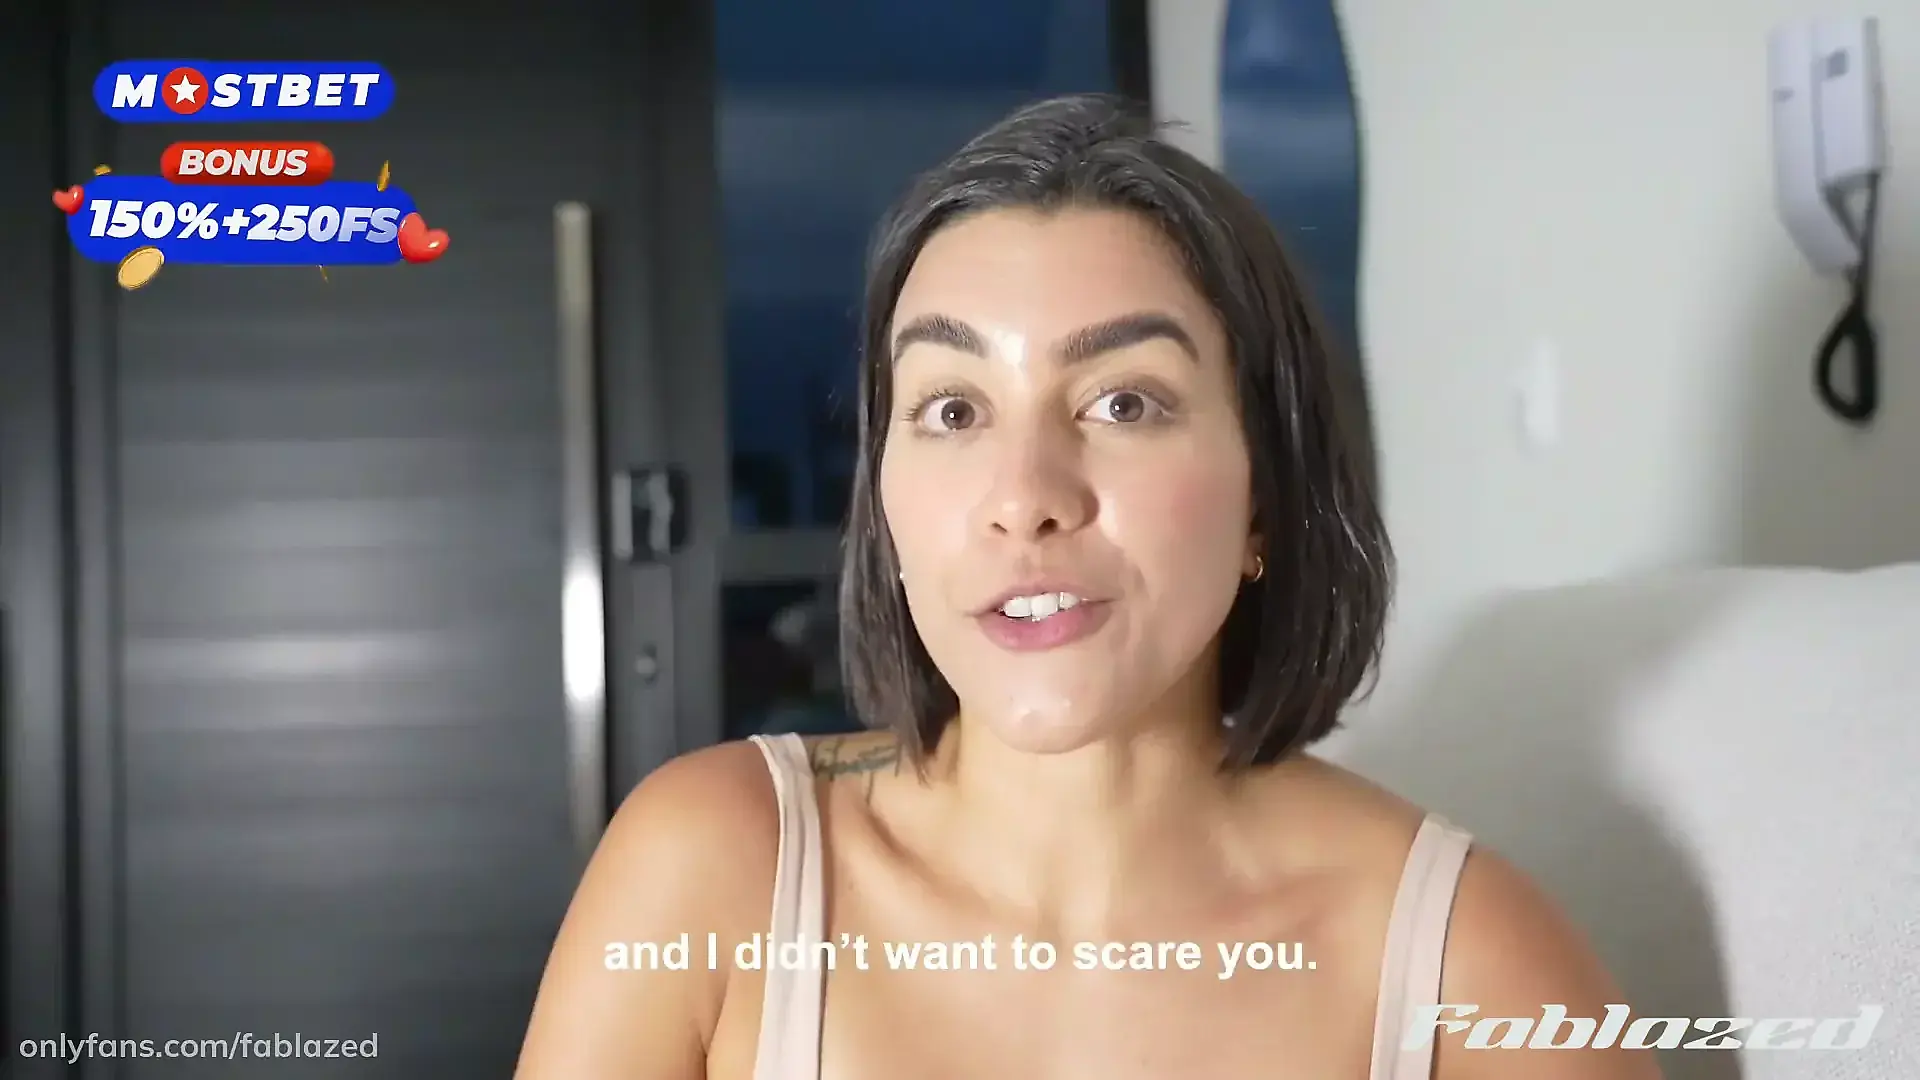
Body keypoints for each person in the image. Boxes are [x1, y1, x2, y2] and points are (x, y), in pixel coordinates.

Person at [515, 94, 1659, 1080]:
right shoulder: (714, 865)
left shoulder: (1470, 964)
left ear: (1266, 492)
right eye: (953, 409)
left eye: (1124, 403)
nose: (1025, 497)